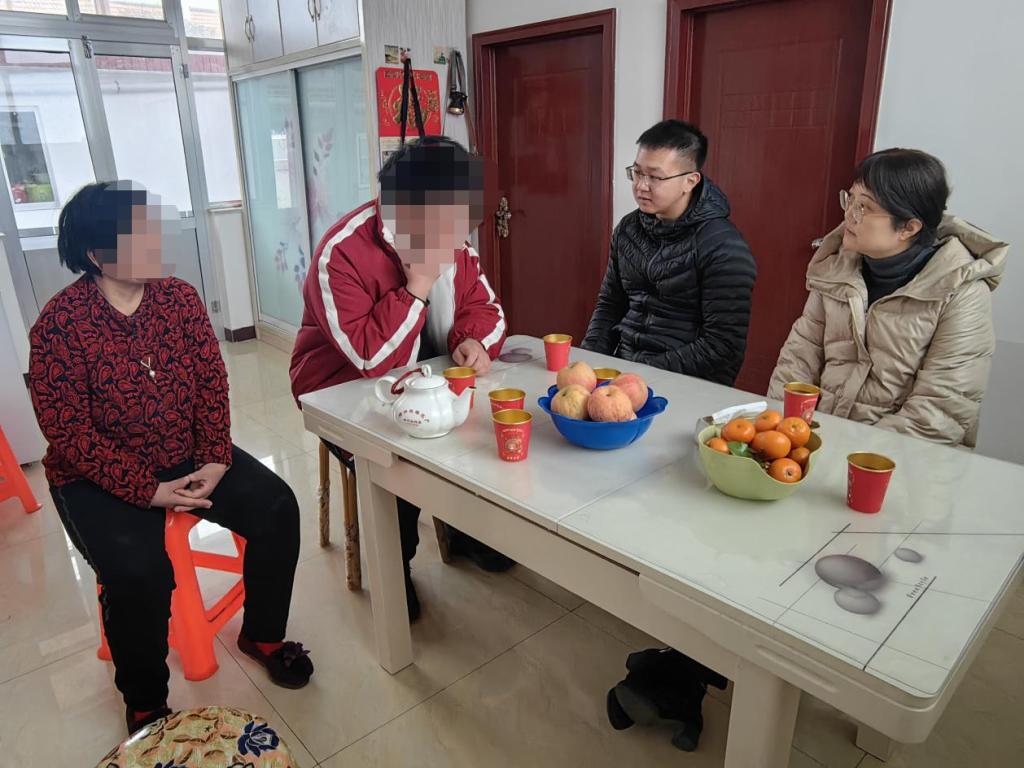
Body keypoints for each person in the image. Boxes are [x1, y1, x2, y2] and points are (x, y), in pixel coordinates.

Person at [28, 181, 313, 736]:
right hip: (96, 477)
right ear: (97, 255)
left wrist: (216, 457)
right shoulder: (60, 325)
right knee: (139, 572)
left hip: (187, 454)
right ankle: (145, 703)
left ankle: (262, 634)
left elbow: (210, 381)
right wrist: (147, 490)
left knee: (277, 507)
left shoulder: (178, 299)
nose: (156, 241)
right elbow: (67, 431)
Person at [290, 136, 513, 622]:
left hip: (429, 375)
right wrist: (417, 287)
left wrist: (472, 340)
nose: (461, 233)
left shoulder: (450, 239)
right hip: (343, 390)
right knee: (399, 461)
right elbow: (369, 358)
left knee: (480, 436)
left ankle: (466, 532)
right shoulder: (341, 253)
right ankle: (396, 567)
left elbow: (487, 308)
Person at [769, 148, 1006, 447]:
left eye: (864, 207)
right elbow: (797, 361)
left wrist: (848, 453)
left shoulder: (962, 293)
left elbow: (938, 412)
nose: (849, 215)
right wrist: (786, 437)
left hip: (899, 457)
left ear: (909, 227)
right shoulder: (836, 271)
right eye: (850, 199)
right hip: (815, 444)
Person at [582, 119, 757, 385]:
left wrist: (640, 375)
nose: (641, 185)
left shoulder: (724, 246)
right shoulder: (628, 229)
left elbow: (722, 346)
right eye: (637, 173)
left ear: (690, 181)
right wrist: (589, 361)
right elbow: (610, 303)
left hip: (688, 383)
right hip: (625, 374)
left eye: (655, 177)